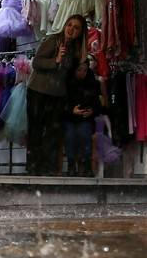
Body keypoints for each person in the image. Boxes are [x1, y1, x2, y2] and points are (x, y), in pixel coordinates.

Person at [25, 14, 86, 176]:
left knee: (52, 132)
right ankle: (33, 167)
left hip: (57, 95)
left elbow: (70, 78)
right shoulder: (53, 40)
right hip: (38, 91)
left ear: (81, 32)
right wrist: (56, 61)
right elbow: (36, 62)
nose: (71, 29)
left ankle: (47, 168)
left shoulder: (76, 50)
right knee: (36, 130)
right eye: (69, 25)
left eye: (76, 27)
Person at [64, 57, 101, 176]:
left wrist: (91, 111)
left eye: (85, 70)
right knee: (70, 135)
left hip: (85, 118)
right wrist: (71, 110)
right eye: (79, 70)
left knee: (85, 132)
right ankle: (71, 165)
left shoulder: (92, 84)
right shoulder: (67, 83)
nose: (82, 73)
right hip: (69, 118)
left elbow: (97, 104)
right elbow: (61, 104)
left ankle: (87, 166)